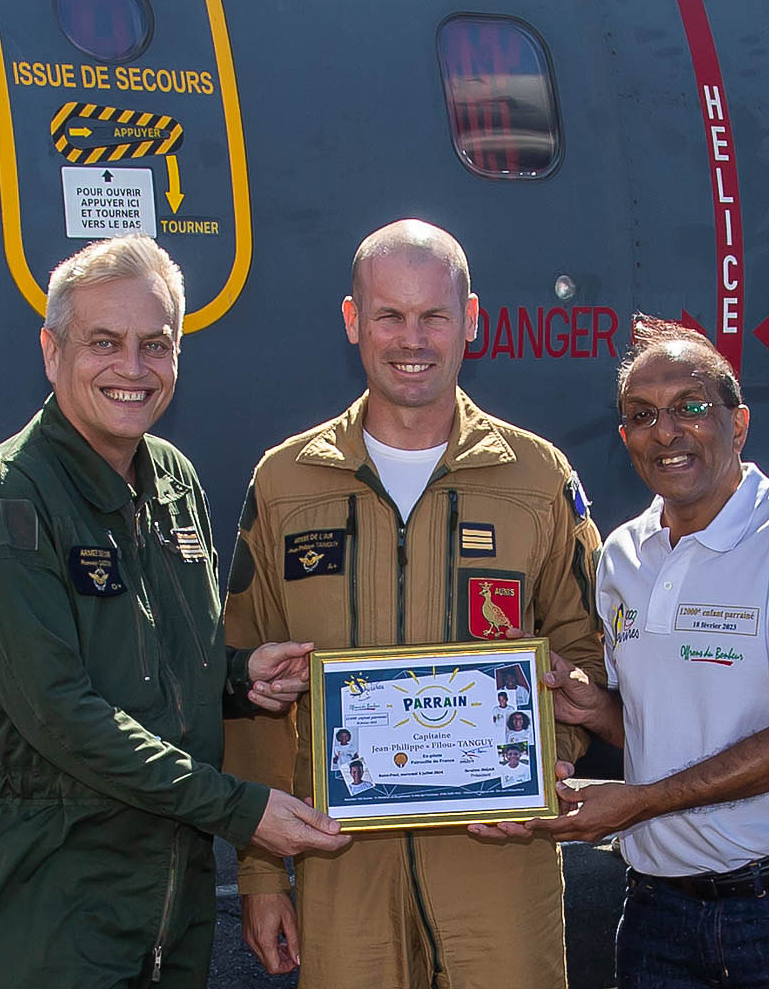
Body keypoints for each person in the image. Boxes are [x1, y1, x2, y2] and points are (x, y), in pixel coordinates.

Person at [0, 236, 350, 989]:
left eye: (155, 344)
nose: (132, 367)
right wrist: (238, 808)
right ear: (51, 352)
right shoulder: (7, 499)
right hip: (54, 897)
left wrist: (237, 677)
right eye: (104, 342)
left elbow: (155, 663)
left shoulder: (172, 480)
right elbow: (61, 714)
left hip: (170, 901)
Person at [220, 219, 607, 986]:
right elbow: (249, 686)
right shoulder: (286, 483)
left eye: (434, 315)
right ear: (352, 320)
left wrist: (544, 765)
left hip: (498, 854)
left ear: (471, 320)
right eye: (390, 315)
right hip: (341, 861)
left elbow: (586, 654)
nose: (413, 339)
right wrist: (262, 873)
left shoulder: (537, 478)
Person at [526, 318, 769, 987]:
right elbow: (659, 727)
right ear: (625, 438)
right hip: (658, 911)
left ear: (737, 425)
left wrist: (641, 802)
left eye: (689, 407)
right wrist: (596, 709)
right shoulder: (622, 556)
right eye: (642, 415)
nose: (666, 432)